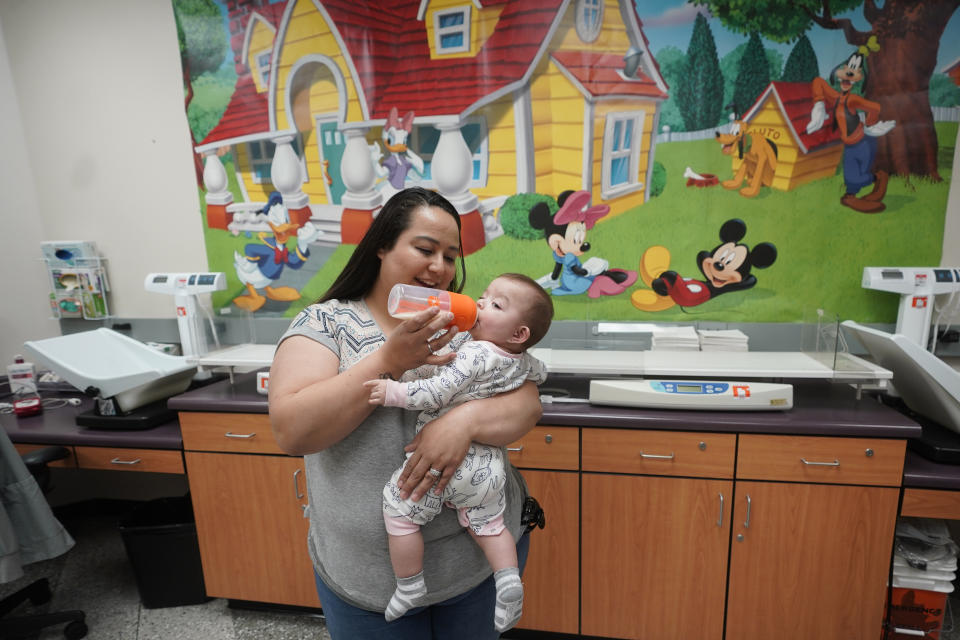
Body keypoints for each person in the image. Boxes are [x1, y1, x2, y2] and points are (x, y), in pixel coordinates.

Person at [268, 187, 544, 640]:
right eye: (425, 249)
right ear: (381, 246)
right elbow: (292, 430)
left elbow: (527, 403)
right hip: (369, 581)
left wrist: (462, 423)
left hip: (475, 565)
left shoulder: (465, 326)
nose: (440, 267)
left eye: (451, 256)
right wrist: (387, 360)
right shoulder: (326, 324)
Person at [364, 273, 553, 632]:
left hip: (448, 465)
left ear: (519, 334)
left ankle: (409, 585)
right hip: (489, 469)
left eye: (495, 305)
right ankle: (509, 578)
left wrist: (392, 392)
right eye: (483, 297)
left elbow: (437, 392)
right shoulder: (523, 360)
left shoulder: (476, 354)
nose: (480, 304)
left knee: (400, 512)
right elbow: (539, 373)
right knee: (490, 526)